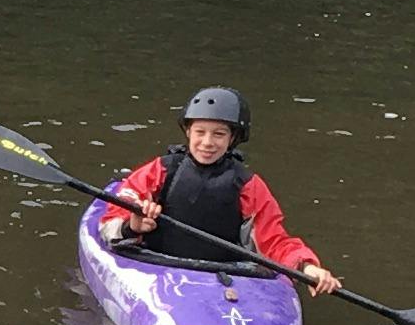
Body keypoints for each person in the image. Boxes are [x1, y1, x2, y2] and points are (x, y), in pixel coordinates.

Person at [105, 88, 341, 299]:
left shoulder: (248, 185)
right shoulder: (160, 170)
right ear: (188, 132)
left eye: (219, 134)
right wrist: (132, 227)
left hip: (223, 278)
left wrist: (307, 267)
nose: (207, 142)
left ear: (233, 138)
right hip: (157, 268)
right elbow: (114, 216)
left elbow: (274, 241)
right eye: (200, 132)